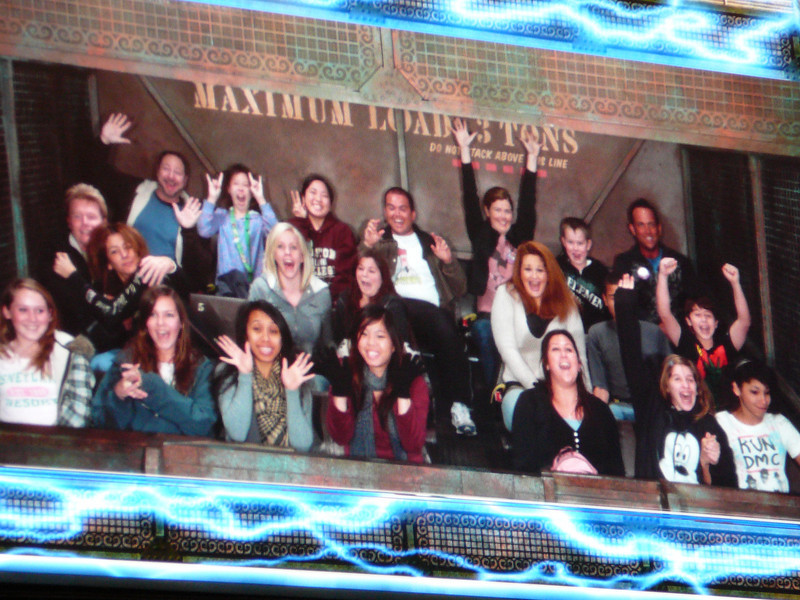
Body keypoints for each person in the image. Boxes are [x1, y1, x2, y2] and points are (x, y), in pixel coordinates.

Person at [362, 187, 475, 435]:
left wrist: (448, 261)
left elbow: (460, 288)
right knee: (395, 306)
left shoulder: (429, 242)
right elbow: (362, 278)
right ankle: (413, 388)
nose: (397, 214)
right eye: (391, 208)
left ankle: (459, 405)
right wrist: (367, 247)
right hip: (392, 312)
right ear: (385, 212)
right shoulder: (379, 241)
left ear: (413, 214)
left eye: (402, 208)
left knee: (445, 325)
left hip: (432, 314)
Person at [615, 274, 736, 486]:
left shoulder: (708, 424)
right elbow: (631, 357)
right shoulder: (652, 410)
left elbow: (727, 486)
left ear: (698, 387)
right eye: (678, 379)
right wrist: (625, 304)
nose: (686, 385)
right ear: (667, 387)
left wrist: (708, 464)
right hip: (655, 502)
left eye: (690, 379)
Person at [452, 117, 541, 387]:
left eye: (507, 211)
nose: (504, 216)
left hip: (518, 314)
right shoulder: (480, 234)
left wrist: (532, 158)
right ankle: (495, 390)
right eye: (498, 210)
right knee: (483, 332)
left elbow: (528, 202)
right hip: (487, 315)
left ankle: (519, 387)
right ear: (487, 212)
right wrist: (464, 150)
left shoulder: (520, 236)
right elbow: (469, 196)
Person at [95, 113, 213, 291]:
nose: (171, 176)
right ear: (157, 172)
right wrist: (103, 142)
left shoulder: (193, 213)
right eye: (166, 169)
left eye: (177, 172)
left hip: (166, 289)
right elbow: (98, 177)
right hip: (126, 284)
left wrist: (188, 230)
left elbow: (200, 274)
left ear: (185, 180)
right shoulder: (135, 192)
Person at [52, 223, 190, 371]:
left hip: (173, 356)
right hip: (137, 354)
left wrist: (73, 276)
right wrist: (121, 328)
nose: (125, 255)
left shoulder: (146, 273)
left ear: (138, 250)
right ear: (109, 263)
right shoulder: (105, 291)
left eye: (128, 246)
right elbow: (102, 337)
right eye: (114, 251)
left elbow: (111, 312)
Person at [92, 286, 217, 436]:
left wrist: (152, 387)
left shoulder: (201, 367)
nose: (160, 323)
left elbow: (205, 427)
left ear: (181, 322)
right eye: (153, 315)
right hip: (135, 449)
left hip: (181, 450)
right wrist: (118, 396)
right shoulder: (125, 362)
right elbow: (101, 425)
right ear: (145, 323)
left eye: (169, 315)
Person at [491, 241, 589, 432]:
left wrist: (587, 397)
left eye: (540, 270)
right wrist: (538, 391)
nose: (534, 276)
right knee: (525, 415)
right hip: (520, 387)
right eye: (528, 269)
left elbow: (580, 358)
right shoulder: (506, 294)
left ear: (549, 274)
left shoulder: (566, 303)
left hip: (563, 390)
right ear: (519, 272)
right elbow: (507, 350)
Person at [324, 305, 429, 463]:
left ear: (394, 344)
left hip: (404, 470)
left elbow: (413, 444)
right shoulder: (346, 375)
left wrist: (403, 393)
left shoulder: (411, 379)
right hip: (358, 467)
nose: (371, 343)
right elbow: (340, 437)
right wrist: (339, 392)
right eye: (364, 334)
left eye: (380, 336)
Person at [512, 330, 624, 476]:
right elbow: (523, 466)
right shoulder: (530, 403)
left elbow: (616, 471)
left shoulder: (601, 410)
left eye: (569, 349)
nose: (564, 354)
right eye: (556, 349)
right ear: (546, 363)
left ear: (579, 364)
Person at [214, 301, 316, 451]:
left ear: (282, 337)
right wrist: (245, 375)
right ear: (246, 334)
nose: (266, 338)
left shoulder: (295, 373)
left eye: (273, 331)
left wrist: (292, 391)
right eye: (257, 329)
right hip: (242, 463)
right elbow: (237, 434)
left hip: (287, 464)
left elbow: (303, 445)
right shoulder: (229, 371)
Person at [0, 279, 94, 427]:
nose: (32, 318)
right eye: (23, 310)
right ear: (7, 312)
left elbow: (78, 414)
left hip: (56, 439)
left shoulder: (70, 351)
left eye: (40, 311)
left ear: (50, 314)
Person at [657, 259, 750, 408]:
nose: (704, 320)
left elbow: (744, 321)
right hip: (696, 408)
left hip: (727, 410)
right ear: (688, 321)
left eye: (708, 316)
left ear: (716, 323)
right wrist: (662, 275)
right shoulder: (685, 342)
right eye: (698, 315)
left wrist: (735, 283)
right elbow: (665, 314)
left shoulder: (726, 344)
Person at [716, 360, 800, 493]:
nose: (763, 400)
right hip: (739, 503)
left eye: (767, 393)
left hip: (780, 503)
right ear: (736, 389)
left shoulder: (778, 422)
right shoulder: (722, 422)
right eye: (754, 392)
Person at [587, 271, 671, 405]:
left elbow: (669, 375)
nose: (620, 304)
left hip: (652, 403)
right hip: (617, 404)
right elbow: (600, 386)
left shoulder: (654, 332)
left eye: (625, 297)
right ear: (605, 299)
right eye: (614, 298)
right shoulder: (597, 333)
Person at [248, 222, 332, 355]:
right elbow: (250, 340)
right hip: (271, 364)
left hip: (310, 365)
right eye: (280, 247)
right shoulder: (260, 288)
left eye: (293, 247)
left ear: (302, 255)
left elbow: (328, 345)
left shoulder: (321, 292)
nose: (287, 252)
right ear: (273, 254)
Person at [612, 198, 698, 324]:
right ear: (632, 229)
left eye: (651, 224)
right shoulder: (624, 263)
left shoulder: (680, 262)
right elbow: (623, 305)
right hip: (642, 332)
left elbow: (694, 300)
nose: (648, 231)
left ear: (659, 228)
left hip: (678, 331)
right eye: (641, 225)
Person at [198, 164, 278, 297]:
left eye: (246, 185)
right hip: (226, 286)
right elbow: (203, 230)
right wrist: (211, 198)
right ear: (228, 189)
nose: (241, 188)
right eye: (236, 184)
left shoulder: (257, 220)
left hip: (254, 287)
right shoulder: (222, 216)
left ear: (251, 191)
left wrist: (261, 199)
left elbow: (276, 233)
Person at [46, 183, 108, 336]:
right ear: (69, 221)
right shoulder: (55, 256)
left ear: (103, 221)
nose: (84, 223)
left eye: (91, 217)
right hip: (73, 336)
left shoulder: (113, 250)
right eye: (77, 216)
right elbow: (71, 310)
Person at [289, 174, 358, 298]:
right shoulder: (292, 228)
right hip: (299, 300)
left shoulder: (342, 231)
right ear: (303, 198)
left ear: (330, 204)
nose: (318, 199)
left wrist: (325, 299)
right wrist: (301, 223)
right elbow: (291, 266)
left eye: (324, 195)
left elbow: (346, 276)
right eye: (313, 193)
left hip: (333, 301)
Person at [331, 249, 412, 349]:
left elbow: (400, 346)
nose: (364, 274)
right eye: (360, 269)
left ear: (383, 276)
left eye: (371, 271)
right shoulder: (345, 299)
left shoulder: (393, 306)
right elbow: (337, 340)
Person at [556, 217, 609, 332]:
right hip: (565, 329)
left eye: (580, 243)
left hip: (595, 332)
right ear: (563, 242)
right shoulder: (557, 267)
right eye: (570, 242)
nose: (575, 248)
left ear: (588, 244)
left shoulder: (600, 271)